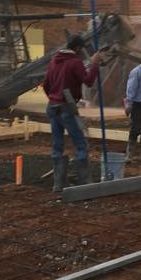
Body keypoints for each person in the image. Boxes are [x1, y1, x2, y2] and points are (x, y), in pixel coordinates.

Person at [42, 34, 102, 191]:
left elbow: (46, 84)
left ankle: (58, 184)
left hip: (52, 106)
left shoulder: (55, 60)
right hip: (66, 107)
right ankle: (85, 182)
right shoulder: (75, 62)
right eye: (81, 49)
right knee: (81, 145)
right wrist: (95, 64)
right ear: (77, 48)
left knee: (57, 146)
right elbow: (88, 81)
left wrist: (54, 97)